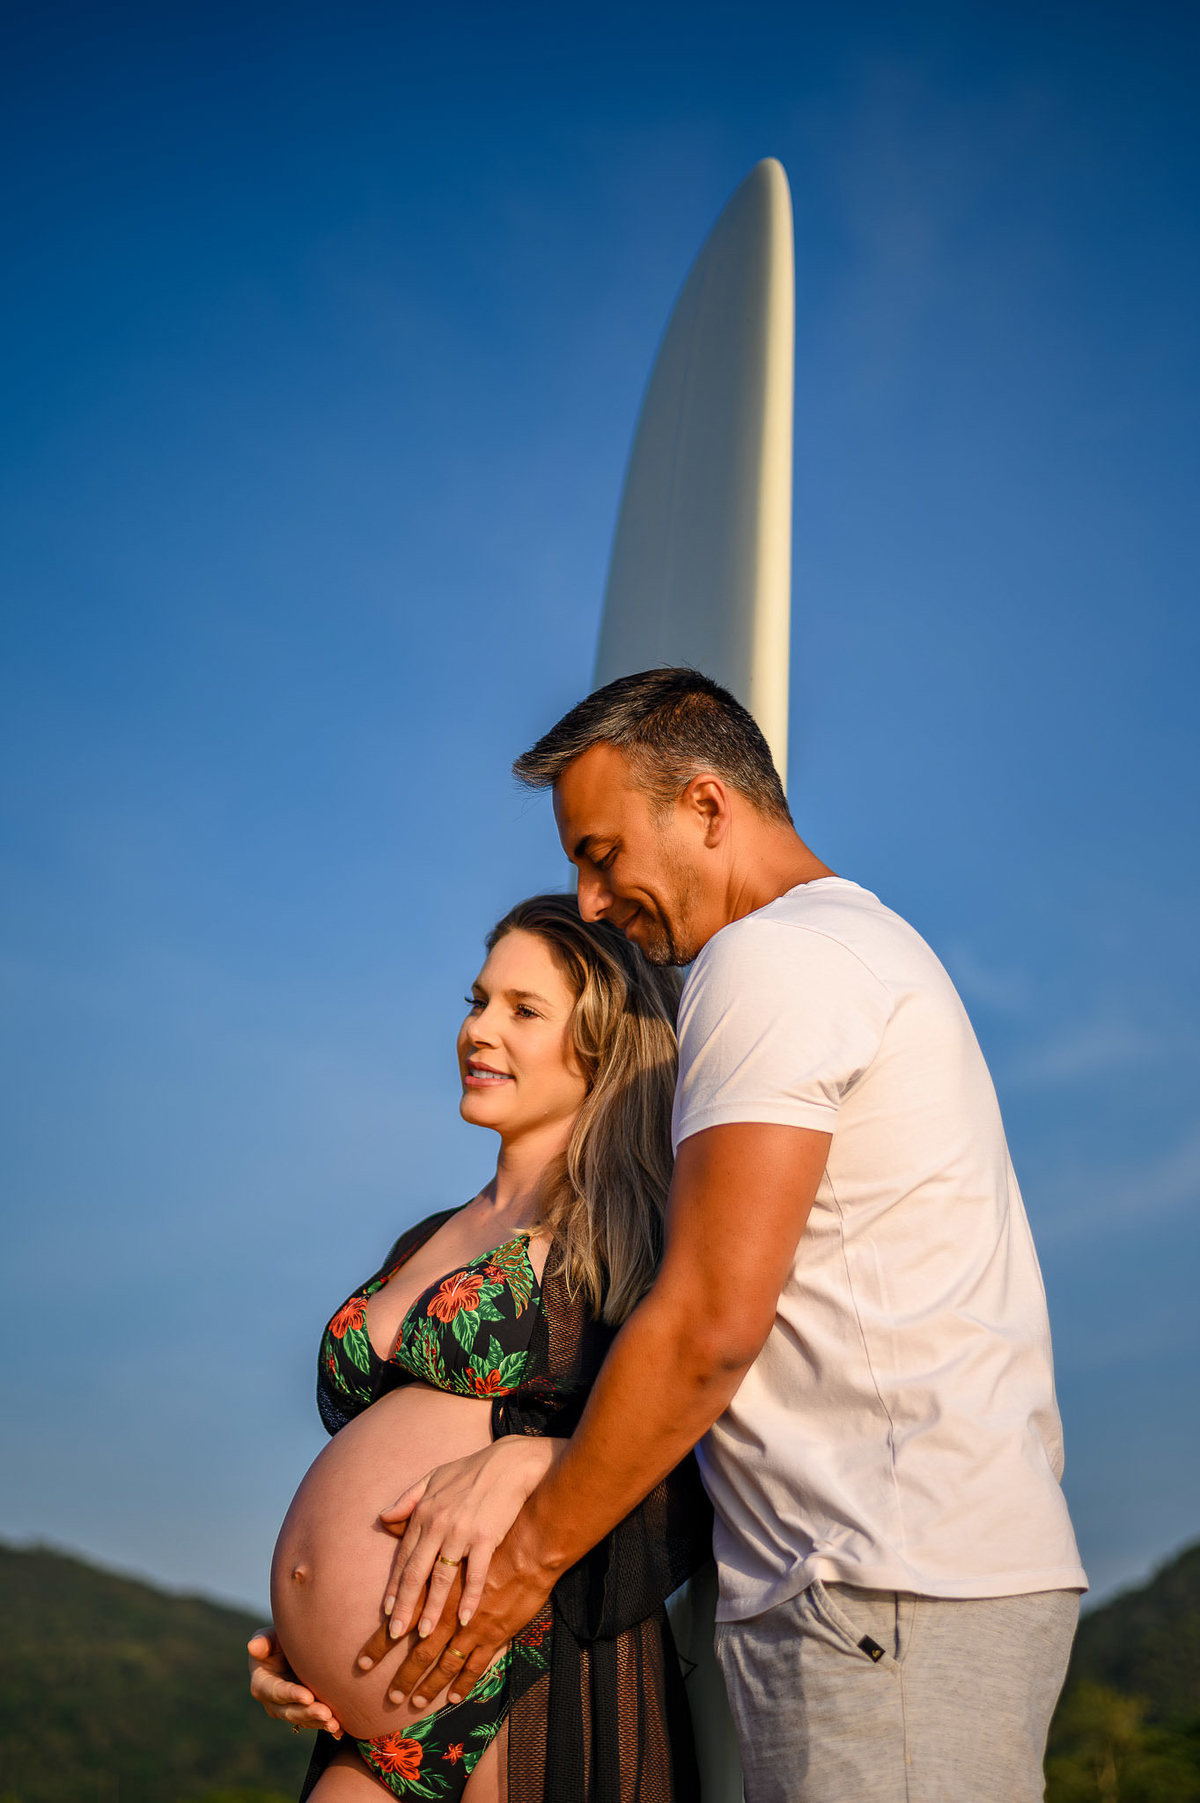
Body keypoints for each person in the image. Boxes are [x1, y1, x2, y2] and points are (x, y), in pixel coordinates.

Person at [384, 668, 1089, 1803]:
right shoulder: (847, 948)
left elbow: (708, 1323)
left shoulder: (774, 960)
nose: (591, 901)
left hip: (877, 1581)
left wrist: (524, 1563)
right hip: (878, 1584)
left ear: (707, 806)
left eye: (604, 853)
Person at [248, 892, 711, 1803]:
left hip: (516, 1669)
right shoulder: (426, 1236)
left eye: (523, 1010)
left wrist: (545, 1456)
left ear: (605, 1043)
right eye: (478, 1000)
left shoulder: (632, 1237)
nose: (478, 1029)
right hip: (367, 1711)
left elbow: (705, 1451)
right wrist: (297, 1641)